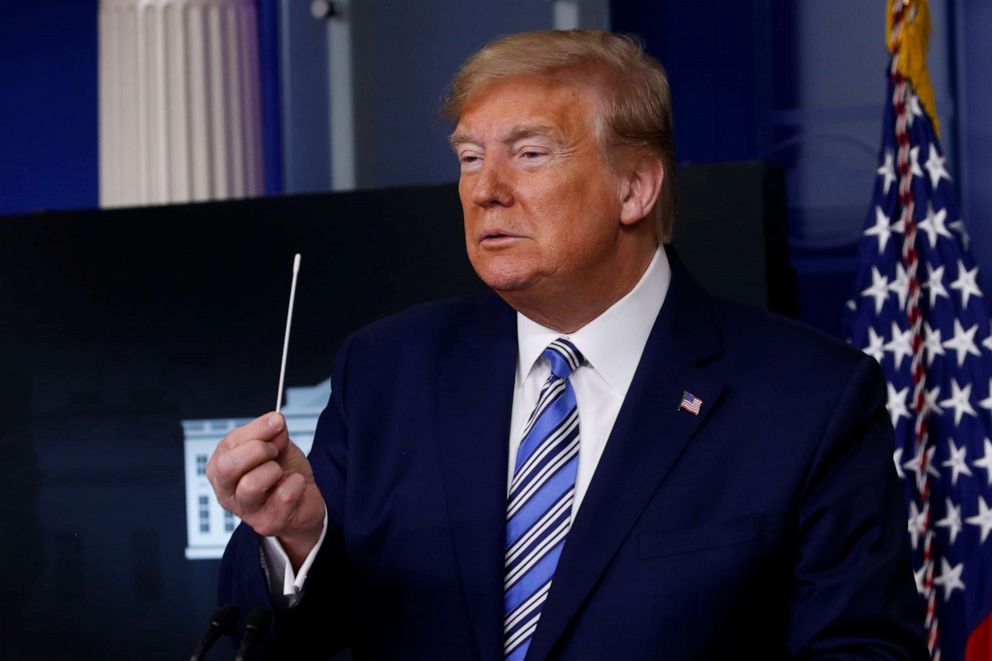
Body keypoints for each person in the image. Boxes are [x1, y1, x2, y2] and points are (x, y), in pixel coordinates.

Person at [209, 29, 927, 659]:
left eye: (529, 152)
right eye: (468, 157)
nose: (485, 189)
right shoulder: (388, 370)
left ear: (636, 187)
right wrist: (299, 539)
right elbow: (271, 638)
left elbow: (862, 648)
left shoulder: (809, 396)